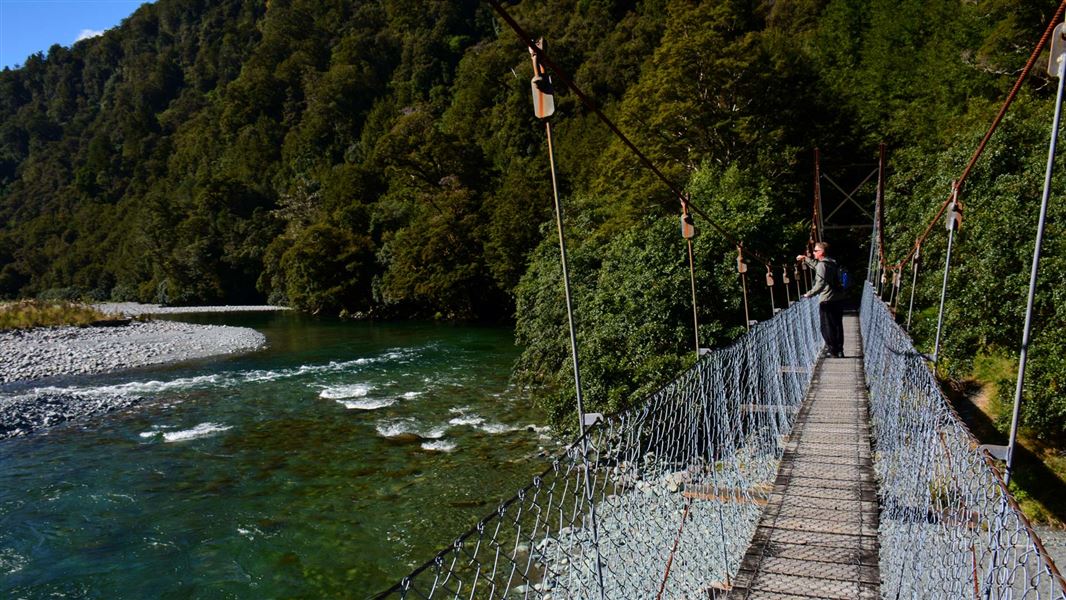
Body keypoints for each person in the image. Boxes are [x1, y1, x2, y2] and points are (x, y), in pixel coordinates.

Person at [796, 242, 844, 358]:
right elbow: (817, 266)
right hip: (838, 298)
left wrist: (809, 294)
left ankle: (832, 350)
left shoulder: (822, 265)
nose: (813, 252)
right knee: (837, 325)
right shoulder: (832, 263)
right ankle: (839, 350)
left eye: (815, 251)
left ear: (821, 252)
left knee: (826, 326)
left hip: (827, 299)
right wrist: (805, 259)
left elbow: (820, 283)